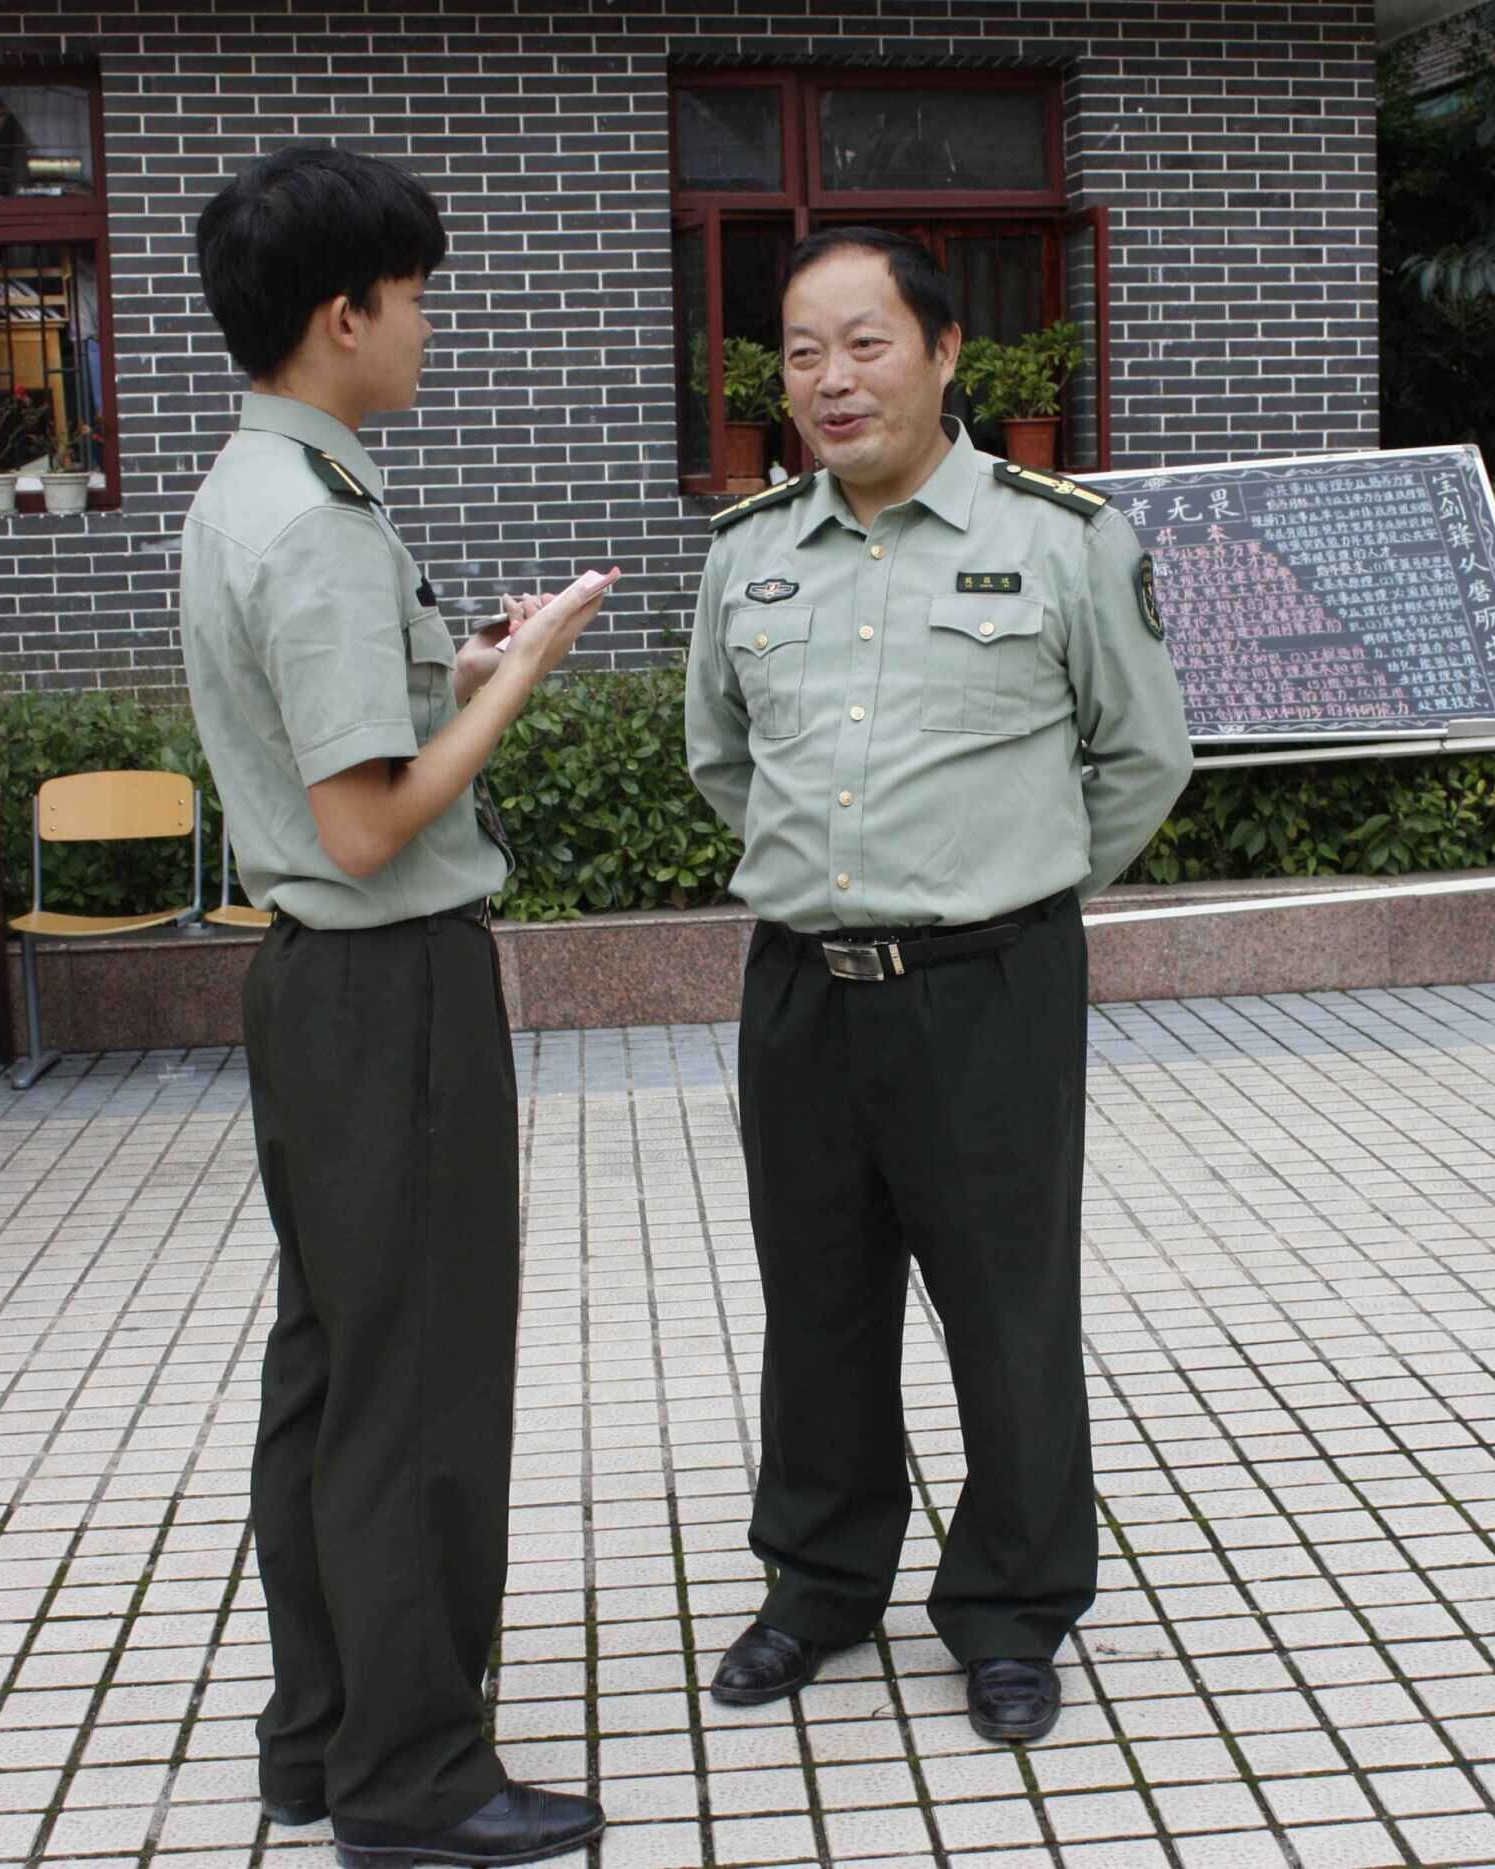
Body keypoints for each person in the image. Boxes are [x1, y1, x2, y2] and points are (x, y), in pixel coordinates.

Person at [685, 226, 1193, 1743]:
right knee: (817, 1303)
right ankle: (820, 1584)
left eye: (866, 343)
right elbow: (725, 760)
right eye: (800, 352)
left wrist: (1010, 877)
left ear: (948, 353)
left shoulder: (1059, 538)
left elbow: (1141, 754)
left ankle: (1013, 1605)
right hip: (800, 990)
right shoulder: (749, 553)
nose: (831, 381)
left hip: (991, 983)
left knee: (1004, 1304)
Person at [182, 145, 612, 1867]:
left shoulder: (255, 487)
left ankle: (321, 1737)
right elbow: (367, 824)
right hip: (389, 982)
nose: (429, 326)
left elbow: (330, 736)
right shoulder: (317, 523)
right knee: (417, 1384)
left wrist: (463, 660)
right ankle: (417, 1780)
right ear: (343, 312)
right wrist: (525, 683)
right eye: (417, 297)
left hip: (312, 991)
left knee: (336, 1369)